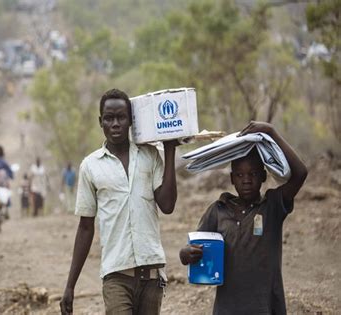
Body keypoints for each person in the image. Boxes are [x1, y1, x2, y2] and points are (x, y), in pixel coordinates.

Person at [60, 88, 179, 315]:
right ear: (100, 121)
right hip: (116, 277)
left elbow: (167, 205)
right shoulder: (90, 166)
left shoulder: (150, 155)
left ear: (131, 120)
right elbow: (85, 227)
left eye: (121, 117)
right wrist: (70, 285)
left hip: (152, 275)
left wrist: (170, 150)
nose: (115, 123)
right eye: (109, 118)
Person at [179, 121, 308, 315]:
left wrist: (271, 131)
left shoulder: (272, 206)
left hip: (265, 307)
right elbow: (195, 248)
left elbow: (300, 174)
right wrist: (185, 254)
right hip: (227, 307)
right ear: (232, 179)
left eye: (253, 174)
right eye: (239, 175)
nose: (246, 180)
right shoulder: (218, 210)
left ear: (263, 176)